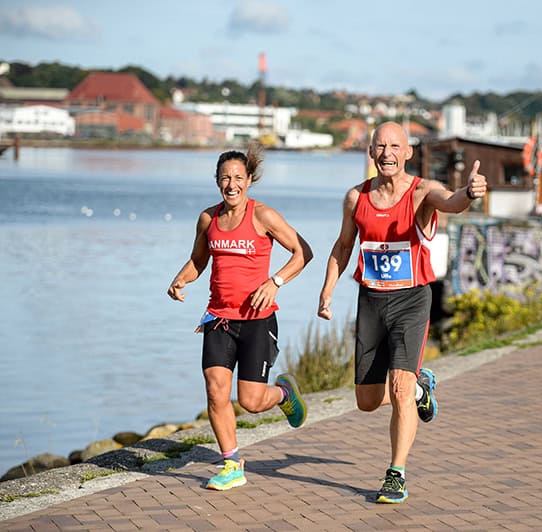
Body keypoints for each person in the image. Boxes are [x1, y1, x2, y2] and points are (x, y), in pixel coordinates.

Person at [317, 121, 487, 503]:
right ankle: (421, 386)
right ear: (371, 152)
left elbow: (452, 201)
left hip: (412, 300)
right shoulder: (354, 198)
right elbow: (344, 246)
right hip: (371, 301)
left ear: (408, 152)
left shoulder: (421, 191)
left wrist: (470, 193)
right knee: (366, 401)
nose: (387, 153)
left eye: (395, 146)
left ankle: (396, 474)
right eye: (380, 146)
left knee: (399, 387)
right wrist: (327, 291)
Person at [167, 144, 313, 491]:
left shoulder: (263, 216)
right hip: (218, 319)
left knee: (250, 401)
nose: (231, 184)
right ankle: (232, 464)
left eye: (237, 178)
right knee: (216, 390)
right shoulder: (208, 219)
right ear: (217, 182)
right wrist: (179, 279)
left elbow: (302, 251)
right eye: (224, 178)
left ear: (249, 180)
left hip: (258, 321)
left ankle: (283, 394)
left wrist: (275, 282)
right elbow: (199, 261)